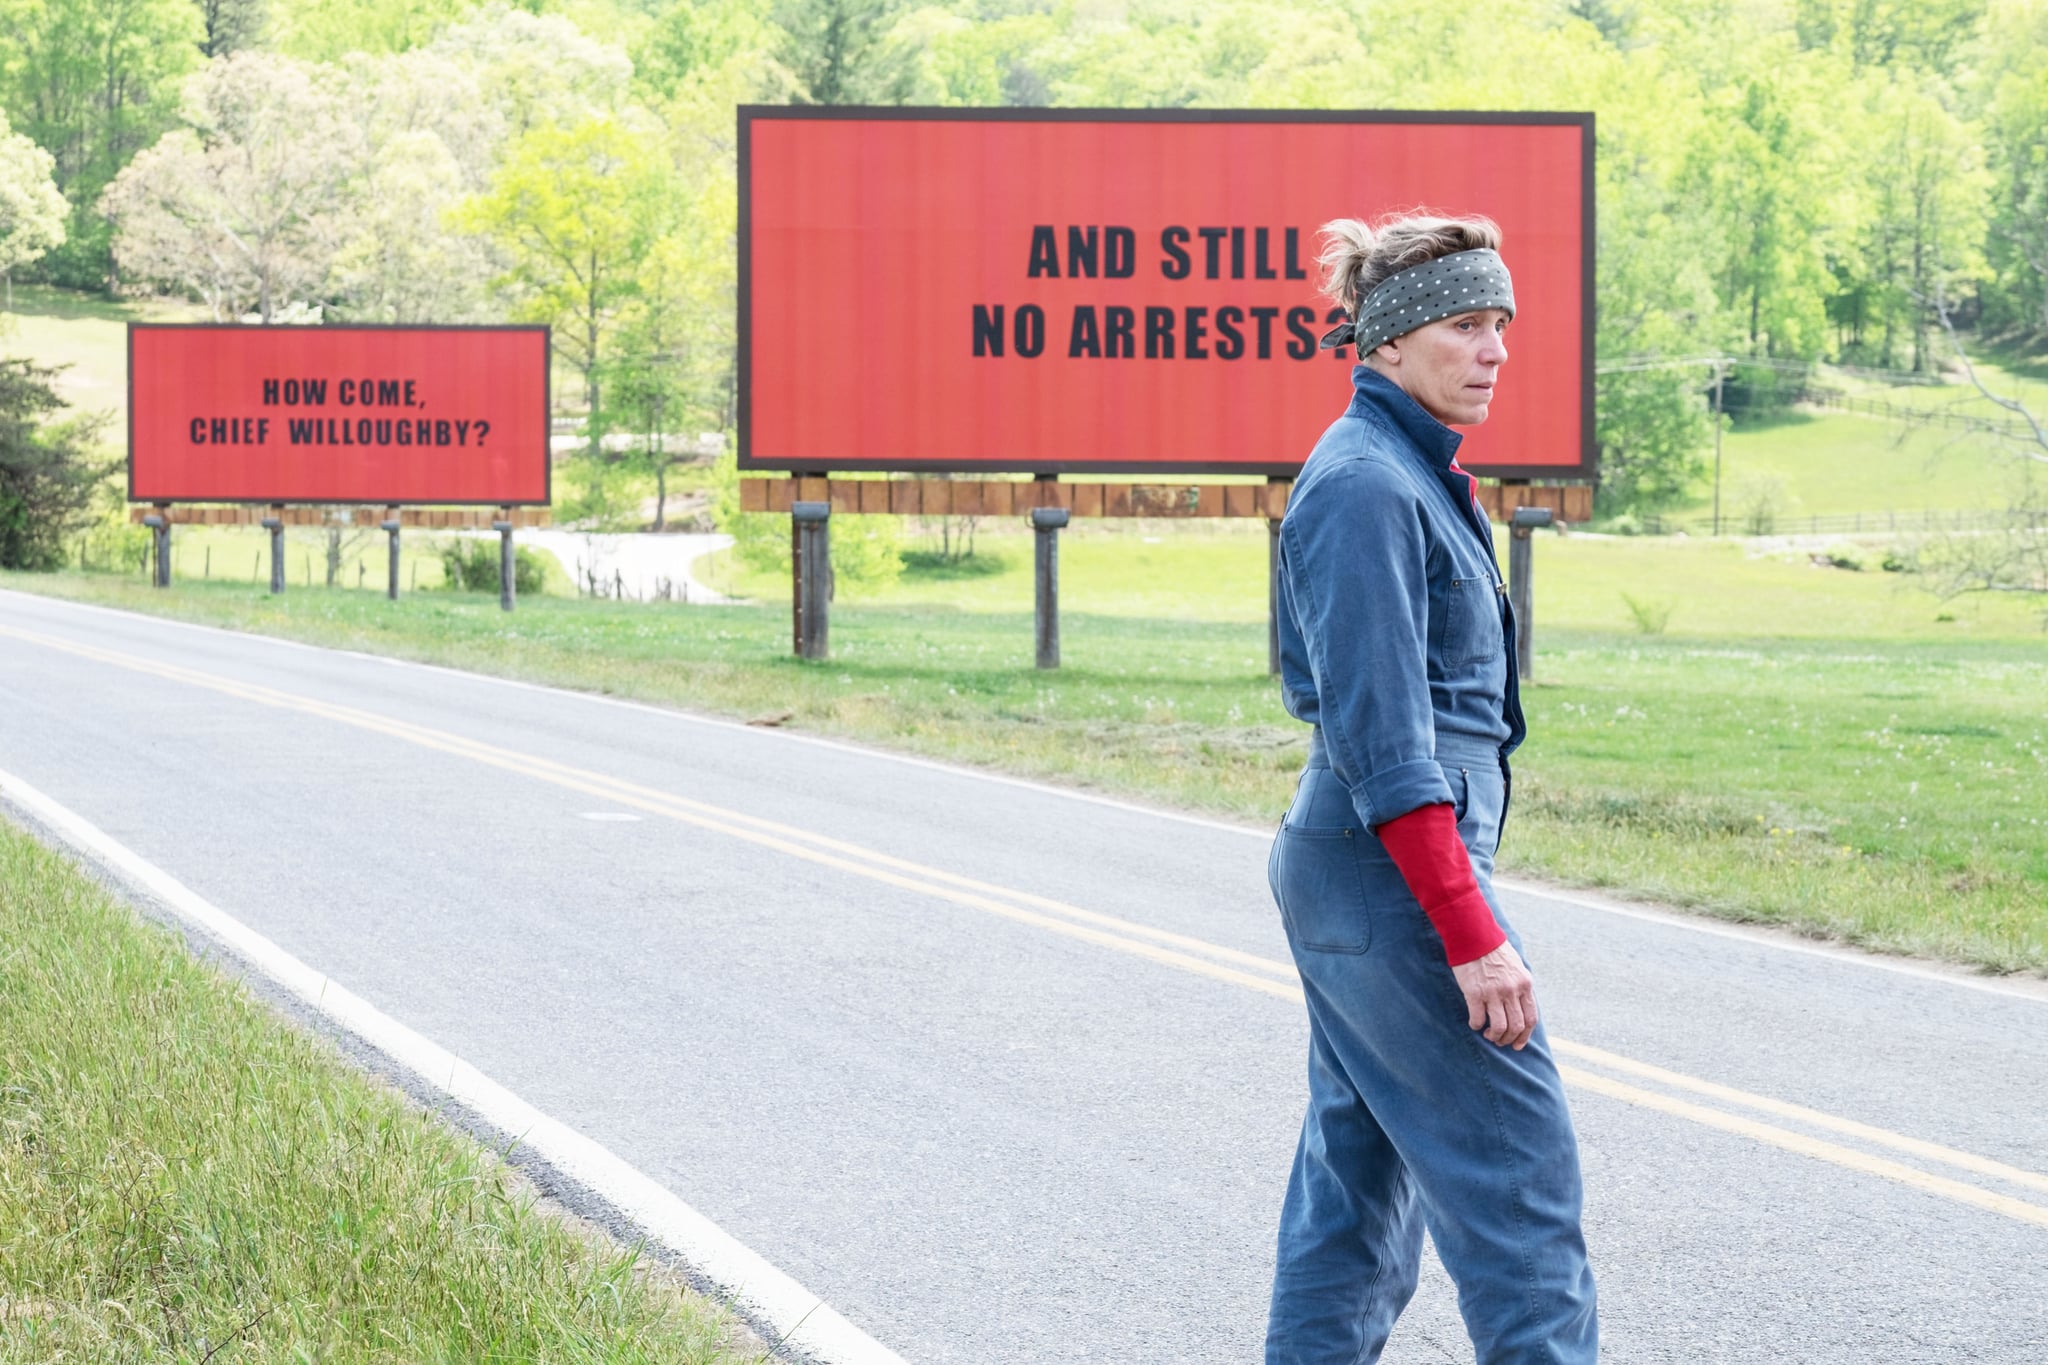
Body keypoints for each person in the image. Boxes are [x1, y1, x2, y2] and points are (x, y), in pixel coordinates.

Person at [1264, 212, 1598, 1364]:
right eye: (1465, 324)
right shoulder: (1363, 487)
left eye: (1500, 324)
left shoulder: (1403, 472)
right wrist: (1469, 931)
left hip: (1371, 870)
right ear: (1388, 343)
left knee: (1356, 1192)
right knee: (1518, 1193)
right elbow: (1384, 742)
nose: (1493, 349)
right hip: (1389, 873)